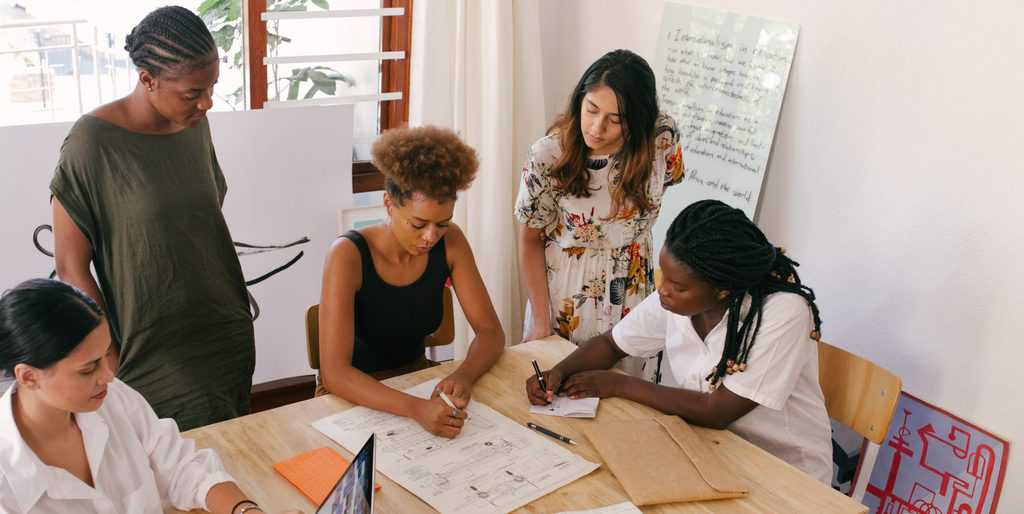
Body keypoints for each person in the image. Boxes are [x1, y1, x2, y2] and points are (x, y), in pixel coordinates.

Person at [525, 200, 834, 483]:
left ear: (722, 290)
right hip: (712, 449)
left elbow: (717, 411)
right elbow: (611, 345)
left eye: (677, 286)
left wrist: (618, 384)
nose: (662, 291)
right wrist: (559, 372)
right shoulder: (678, 299)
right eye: (665, 278)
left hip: (784, 472)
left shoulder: (782, 312)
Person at [50, 6, 254, 430]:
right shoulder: (91, 144)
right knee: (170, 468)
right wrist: (106, 353)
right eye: (192, 92)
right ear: (148, 79)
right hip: (151, 345)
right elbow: (70, 266)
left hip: (223, 329)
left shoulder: (194, 123)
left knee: (230, 453)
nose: (206, 102)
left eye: (212, 86)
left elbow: (199, 217)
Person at [0, 279, 302, 514]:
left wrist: (244, 509)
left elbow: (181, 467)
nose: (108, 375)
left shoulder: (112, 399)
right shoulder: (7, 481)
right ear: (28, 376)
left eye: (106, 356)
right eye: (88, 368)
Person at [318, 126, 505, 439]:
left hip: (415, 382)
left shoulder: (451, 242)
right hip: (351, 397)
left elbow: (490, 332)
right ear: (389, 204)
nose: (431, 236)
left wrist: (464, 375)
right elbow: (335, 374)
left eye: (442, 224)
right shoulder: (347, 255)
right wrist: (416, 409)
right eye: (418, 224)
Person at [515, 49, 685, 379]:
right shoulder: (549, 155)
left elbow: (665, 183)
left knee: (630, 403)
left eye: (616, 119)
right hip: (567, 298)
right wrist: (540, 320)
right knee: (560, 395)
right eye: (591, 109)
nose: (596, 127)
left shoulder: (661, 139)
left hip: (634, 294)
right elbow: (529, 240)